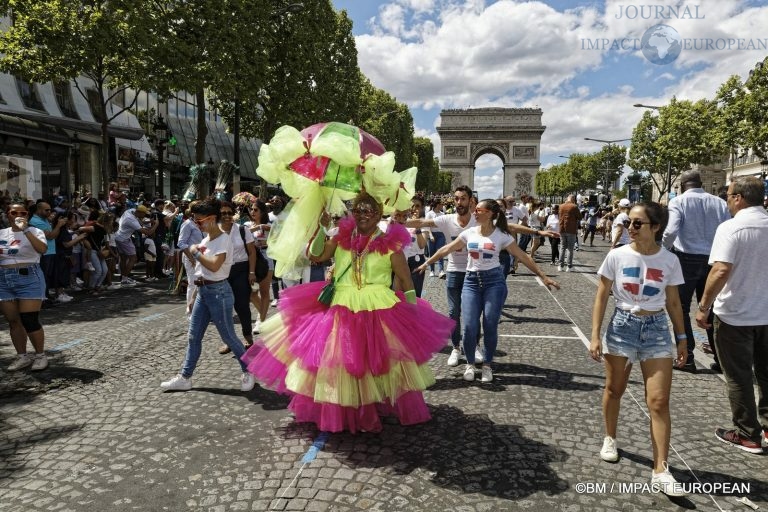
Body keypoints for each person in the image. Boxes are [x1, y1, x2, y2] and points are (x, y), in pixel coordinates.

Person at [242, 192, 455, 433]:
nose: (362, 215)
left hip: (379, 308)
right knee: (343, 361)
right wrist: (321, 229)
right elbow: (316, 256)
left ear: (378, 215)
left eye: (368, 211)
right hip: (341, 305)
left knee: (375, 362)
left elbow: (406, 282)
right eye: (358, 211)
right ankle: (349, 411)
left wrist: (413, 316)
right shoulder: (341, 238)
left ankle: (369, 409)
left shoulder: (390, 245)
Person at [589, 201, 688, 496]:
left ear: (655, 228)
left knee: (658, 401)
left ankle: (661, 468)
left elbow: (673, 302)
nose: (628, 228)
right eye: (629, 222)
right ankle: (610, 437)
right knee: (614, 389)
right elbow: (602, 295)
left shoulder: (670, 261)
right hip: (622, 326)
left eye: (637, 224)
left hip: (657, 330)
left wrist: (682, 338)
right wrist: (594, 335)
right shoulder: (616, 256)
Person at [417, 199, 559, 383]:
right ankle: (469, 364)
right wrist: (427, 263)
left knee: (490, 325)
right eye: (474, 210)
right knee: (469, 327)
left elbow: (522, 256)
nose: (474, 213)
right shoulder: (468, 233)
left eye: (478, 210)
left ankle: (487, 365)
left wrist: (543, 275)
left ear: (491, 213)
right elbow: (447, 248)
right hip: (471, 282)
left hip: (494, 282)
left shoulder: (501, 235)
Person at [694, 177, 768, 454]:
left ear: (738, 198)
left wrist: (703, 307)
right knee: (767, 373)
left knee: (738, 376)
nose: (727, 201)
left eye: (728, 196)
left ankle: (748, 433)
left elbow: (721, 270)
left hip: (736, 314)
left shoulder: (732, 228)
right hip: (766, 312)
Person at [160, 197, 256, 393]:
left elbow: (214, 265)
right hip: (204, 292)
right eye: (196, 220)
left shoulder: (223, 239)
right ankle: (185, 377)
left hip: (219, 293)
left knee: (229, 337)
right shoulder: (206, 239)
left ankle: (248, 370)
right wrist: (194, 296)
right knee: (193, 336)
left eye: (199, 220)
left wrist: (195, 252)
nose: (197, 224)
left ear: (212, 219)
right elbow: (202, 272)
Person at [662, 170, 731, 374]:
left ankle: (687, 357)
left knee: (679, 308)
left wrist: (662, 250)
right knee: (711, 308)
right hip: (714, 260)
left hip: (686, 259)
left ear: (683, 186)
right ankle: (721, 359)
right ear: (701, 183)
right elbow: (727, 229)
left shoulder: (679, 201)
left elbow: (672, 230)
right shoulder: (719, 202)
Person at [2, 203, 51, 371]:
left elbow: (42, 249)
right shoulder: (1, 234)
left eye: (23, 212)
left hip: (29, 277)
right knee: (14, 321)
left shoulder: (35, 231)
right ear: (7, 214)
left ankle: (40, 355)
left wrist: (25, 230)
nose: (18, 215)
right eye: (14, 212)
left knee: (29, 319)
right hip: (4, 279)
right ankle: (22, 356)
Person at [217, 201, 257, 354]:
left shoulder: (242, 229)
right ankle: (229, 341)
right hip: (222, 272)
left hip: (241, 270)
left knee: (242, 306)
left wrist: (251, 272)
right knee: (224, 308)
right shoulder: (215, 231)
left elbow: (252, 252)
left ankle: (248, 336)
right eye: (223, 213)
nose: (227, 216)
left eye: (229, 212)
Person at [114, 205, 158, 286]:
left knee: (123, 258)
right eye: (144, 214)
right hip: (124, 239)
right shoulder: (131, 220)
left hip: (118, 237)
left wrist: (149, 221)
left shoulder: (130, 211)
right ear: (139, 212)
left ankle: (123, 277)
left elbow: (140, 222)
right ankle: (124, 279)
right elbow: (148, 233)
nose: (145, 216)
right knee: (133, 258)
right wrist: (156, 225)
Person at [176, 201, 204, 315]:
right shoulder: (188, 224)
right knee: (193, 284)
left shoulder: (202, 223)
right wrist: (191, 259)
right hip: (191, 258)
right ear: (193, 212)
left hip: (202, 258)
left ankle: (200, 309)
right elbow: (181, 243)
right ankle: (191, 311)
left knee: (202, 284)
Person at [558, 195, 581, 272]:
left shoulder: (561, 206)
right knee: (570, 249)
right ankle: (569, 266)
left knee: (562, 247)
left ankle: (560, 266)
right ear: (573, 199)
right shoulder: (574, 206)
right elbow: (580, 217)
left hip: (562, 228)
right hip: (571, 229)